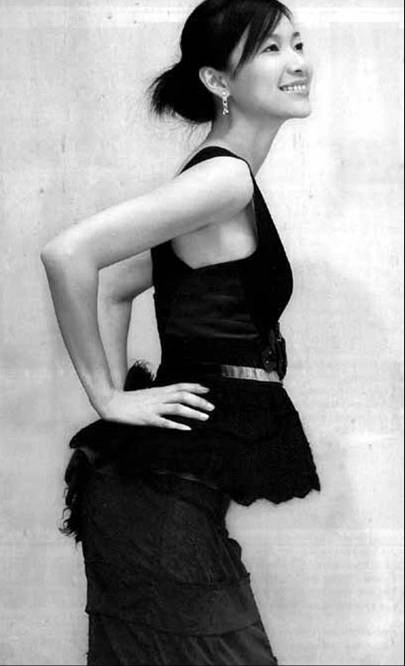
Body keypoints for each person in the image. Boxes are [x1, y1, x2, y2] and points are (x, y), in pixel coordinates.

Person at [41, 0, 321, 663]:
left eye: (297, 43)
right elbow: (69, 255)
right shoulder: (223, 179)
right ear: (218, 81)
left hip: (164, 499)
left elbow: (117, 285)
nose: (297, 63)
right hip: (159, 510)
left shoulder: (223, 181)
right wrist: (110, 400)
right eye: (270, 49)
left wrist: (119, 403)